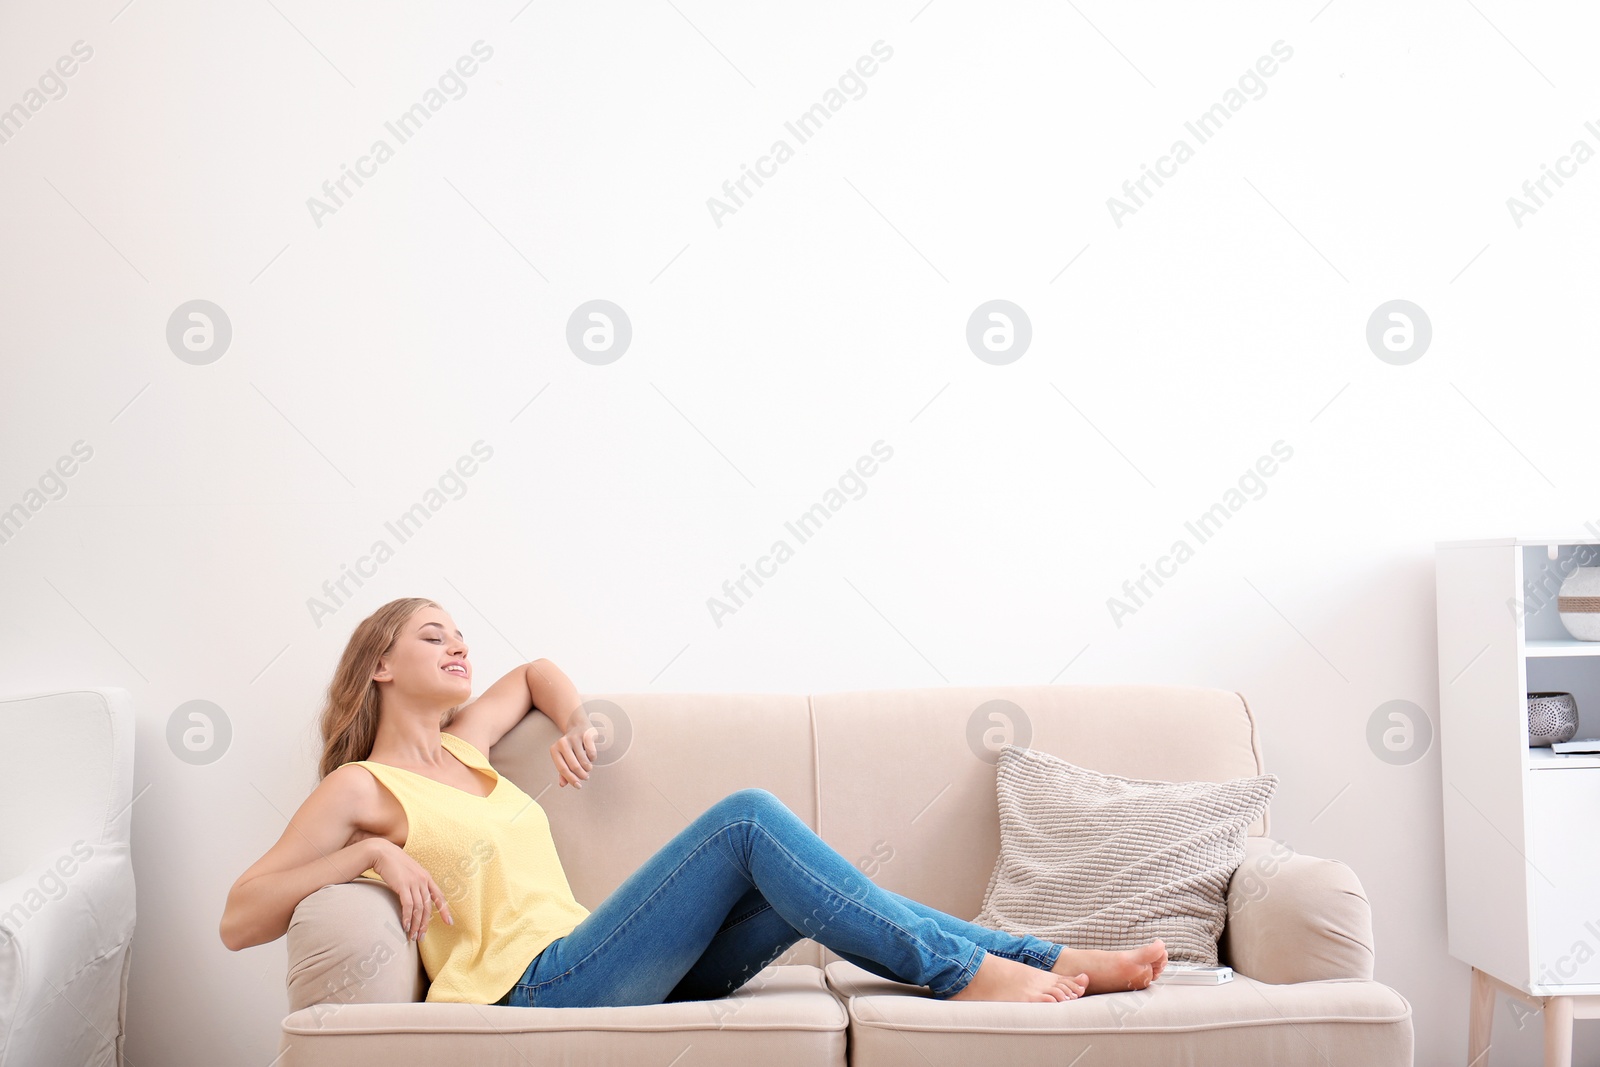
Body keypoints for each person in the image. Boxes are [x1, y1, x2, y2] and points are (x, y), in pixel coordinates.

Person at [220, 597, 1168, 1007]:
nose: (459, 647)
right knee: (748, 818)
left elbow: (536, 671)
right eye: (435, 637)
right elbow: (238, 916)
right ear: (379, 666)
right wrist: (369, 855)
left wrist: (577, 720)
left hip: (610, 963)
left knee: (803, 883)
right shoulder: (365, 787)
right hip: (540, 987)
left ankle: (1043, 953)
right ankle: (968, 975)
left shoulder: (467, 749)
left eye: (462, 633)